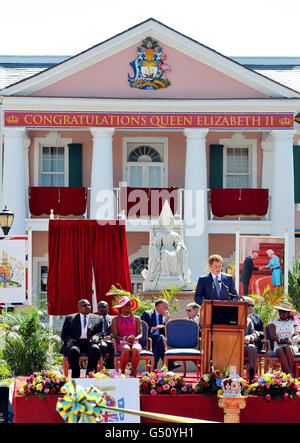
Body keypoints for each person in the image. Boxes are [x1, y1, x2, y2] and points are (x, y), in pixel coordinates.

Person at [61, 299, 103, 378]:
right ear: (79, 308)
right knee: (73, 350)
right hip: (76, 342)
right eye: (84, 305)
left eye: (89, 305)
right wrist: (69, 340)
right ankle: (76, 376)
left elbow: (101, 332)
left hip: (90, 342)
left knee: (95, 348)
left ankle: (90, 374)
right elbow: (64, 333)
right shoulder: (70, 318)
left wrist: (96, 337)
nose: (87, 307)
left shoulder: (97, 318)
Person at [141, 299, 180, 370]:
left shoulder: (163, 317)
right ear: (159, 307)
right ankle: (169, 363)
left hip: (158, 340)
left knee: (157, 346)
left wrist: (166, 321)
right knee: (160, 338)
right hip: (149, 338)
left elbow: (165, 332)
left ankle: (152, 369)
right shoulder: (147, 314)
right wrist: (153, 328)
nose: (167, 309)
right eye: (166, 307)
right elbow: (142, 328)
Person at [111, 296, 142, 377]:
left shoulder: (136, 318)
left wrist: (135, 338)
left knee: (135, 349)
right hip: (121, 342)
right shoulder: (115, 320)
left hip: (134, 341)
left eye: (129, 305)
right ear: (121, 308)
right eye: (126, 305)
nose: (128, 306)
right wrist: (125, 339)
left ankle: (133, 371)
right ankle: (123, 372)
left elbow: (140, 334)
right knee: (126, 348)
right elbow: (115, 335)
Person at [269, 301, 299, 377]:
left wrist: (291, 339)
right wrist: (281, 340)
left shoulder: (294, 323)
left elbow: (296, 334)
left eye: (284, 312)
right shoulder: (273, 323)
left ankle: (289, 374)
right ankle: (290, 373)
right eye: (280, 311)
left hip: (291, 344)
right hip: (278, 344)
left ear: (288, 313)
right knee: (280, 349)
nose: (282, 313)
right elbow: (272, 336)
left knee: (288, 348)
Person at [244, 301, 259, 383]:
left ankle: (251, 375)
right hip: (231, 346)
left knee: (252, 347)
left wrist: (249, 336)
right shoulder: (233, 316)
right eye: (248, 305)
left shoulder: (249, 320)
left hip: (244, 347)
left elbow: (254, 334)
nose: (250, 307)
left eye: (252, 305)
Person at [97, 300, 114, 369]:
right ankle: (101, 367)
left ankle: (110, 368)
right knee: (102, 346)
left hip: (111, 339)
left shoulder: (114, 319)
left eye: (103, 307)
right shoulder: (95, 319)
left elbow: (117, 330)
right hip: (100, 340)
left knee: (114, 347)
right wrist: (100, 339)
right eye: (99, 307)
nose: (101, 308)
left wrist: (112, 335)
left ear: (108, 308)